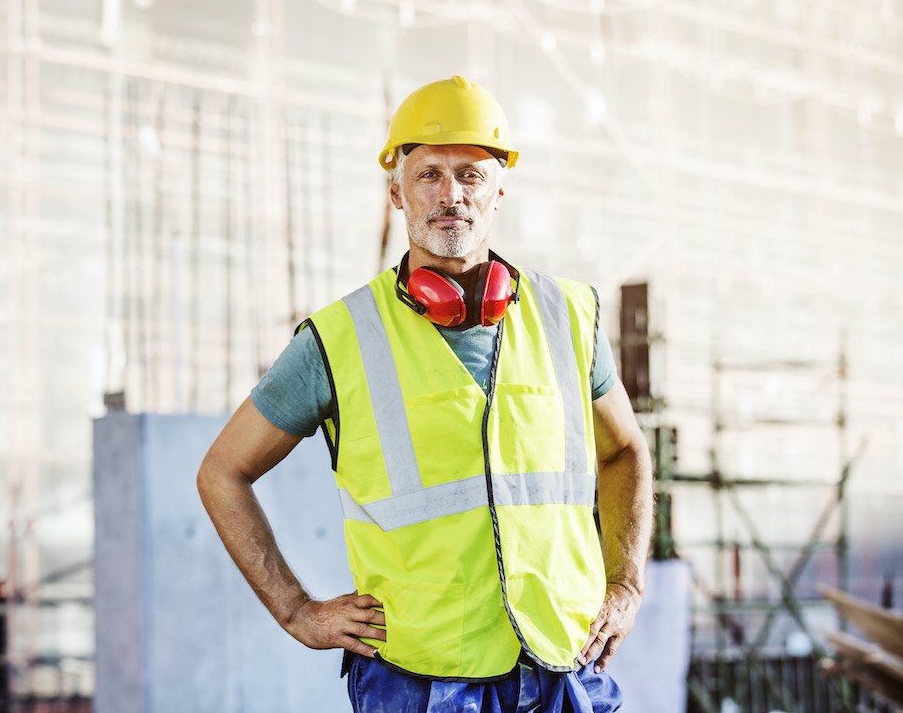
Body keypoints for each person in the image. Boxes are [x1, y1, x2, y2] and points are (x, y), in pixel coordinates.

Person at [197, 75, 653, 713]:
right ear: (395, 192)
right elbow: (222, 471)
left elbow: (625, 449)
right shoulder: (340, 338)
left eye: (471, 174)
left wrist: (625, 583)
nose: (451, 196)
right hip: (421, 680)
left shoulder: (569, 315)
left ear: (499, 191)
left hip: (563, 667)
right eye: (429, 174)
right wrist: (297, 611)